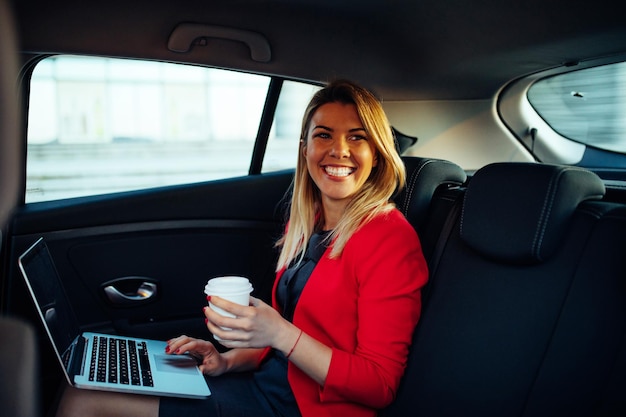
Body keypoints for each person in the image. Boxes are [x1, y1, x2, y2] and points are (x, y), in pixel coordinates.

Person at [55, 79, 428, 417]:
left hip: (303, 411)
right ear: (305, 148)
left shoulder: (389, 237)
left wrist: (280, 333)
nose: (339, 150)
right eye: (325, 135)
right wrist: (226, 361)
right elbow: (286, 344)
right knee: (86, 384)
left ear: (377, 152)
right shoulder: (309, 223)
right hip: (263, 387)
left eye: (357, 137)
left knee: (83, 400)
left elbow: (380, 384)